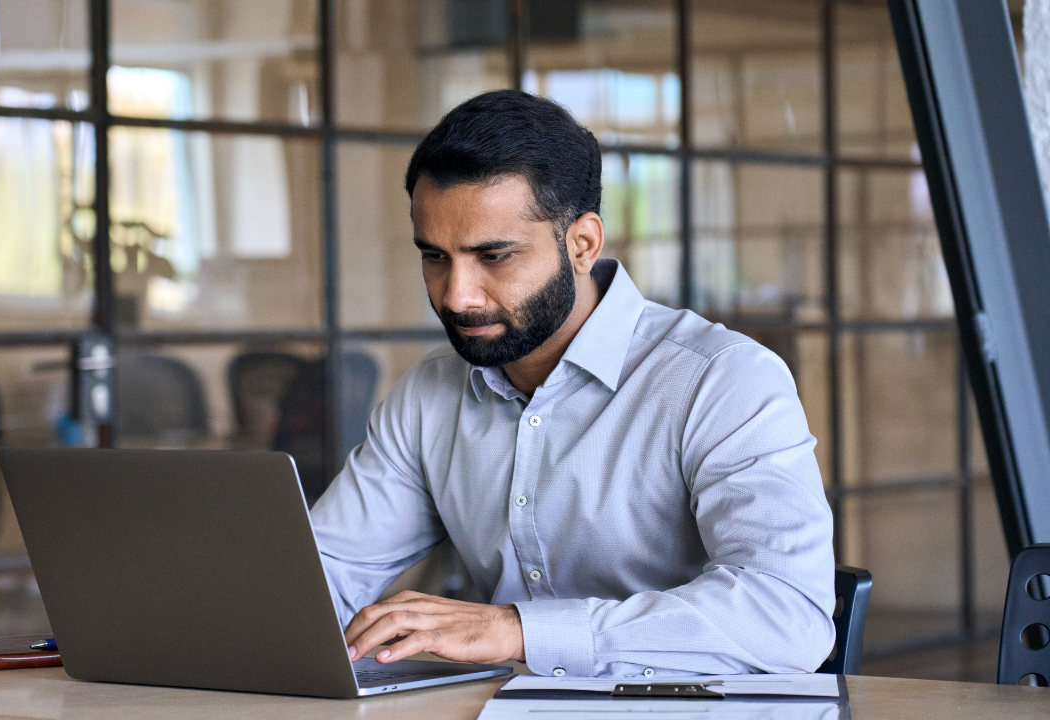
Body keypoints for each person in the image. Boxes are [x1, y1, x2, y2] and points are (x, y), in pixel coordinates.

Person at [309, 90, 835, 678]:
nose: (456, 295)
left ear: (582, 244)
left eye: (495, 256)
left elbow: (787, 615)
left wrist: (515, 629)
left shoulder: (723, 380)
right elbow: (322, 576)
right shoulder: (429, 395)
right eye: (435, 257)